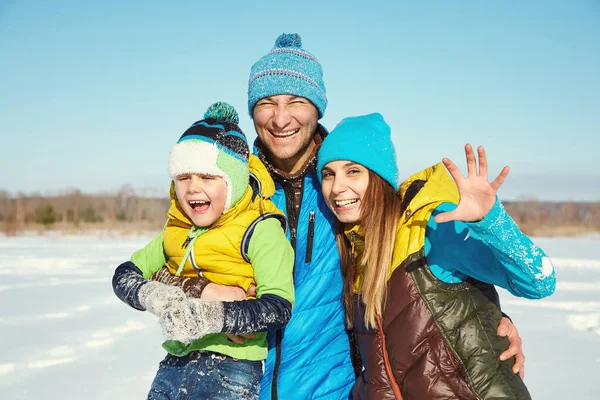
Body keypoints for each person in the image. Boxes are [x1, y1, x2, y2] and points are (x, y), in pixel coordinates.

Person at [117, 33, 528, 400]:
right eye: (266, 104)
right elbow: (171, 258)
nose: (281, 118)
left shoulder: (346, 191)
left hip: (333, 388)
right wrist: (202, 289)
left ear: (316, 108)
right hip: (238, 384)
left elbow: (405, 261)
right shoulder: (231, 190)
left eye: (296, 101)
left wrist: (487, 319)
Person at [317, 112, 556, 399]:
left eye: (353, 171)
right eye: (328, 174)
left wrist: (492, 222)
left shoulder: (430, 230)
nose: (337, 187)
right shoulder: (356, 252)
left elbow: (539, 281)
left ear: (379, 178)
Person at [112, 102, 295, 400]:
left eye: (208, 177)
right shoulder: (176, 230)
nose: (193, 188)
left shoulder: (260, 229)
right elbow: (124, 275)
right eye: (184, 178)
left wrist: (209, 317)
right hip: (173, 363)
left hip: (231, 369)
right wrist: (155, 295)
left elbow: (277, 307)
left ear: (233, 182)